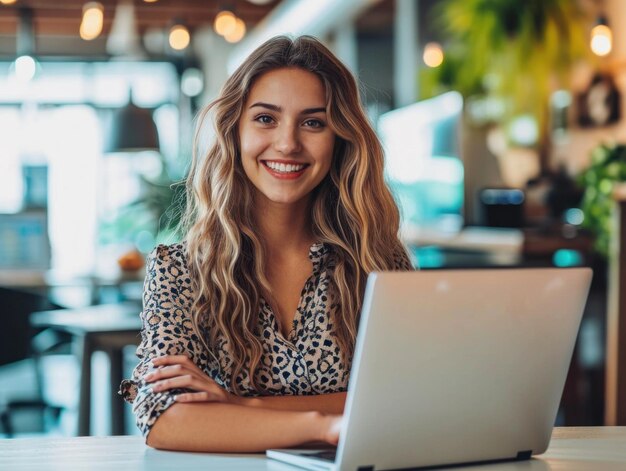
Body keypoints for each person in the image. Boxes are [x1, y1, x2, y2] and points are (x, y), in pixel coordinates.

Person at [119, 35, 413, 452]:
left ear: (340, 139)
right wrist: (324, 426)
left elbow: (404, 401)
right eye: (265, 119)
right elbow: (165, 419)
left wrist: (241, 405)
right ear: (234, 130)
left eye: (313, 122)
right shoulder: (178, 271)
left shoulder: (377, 261)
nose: (288, 143)